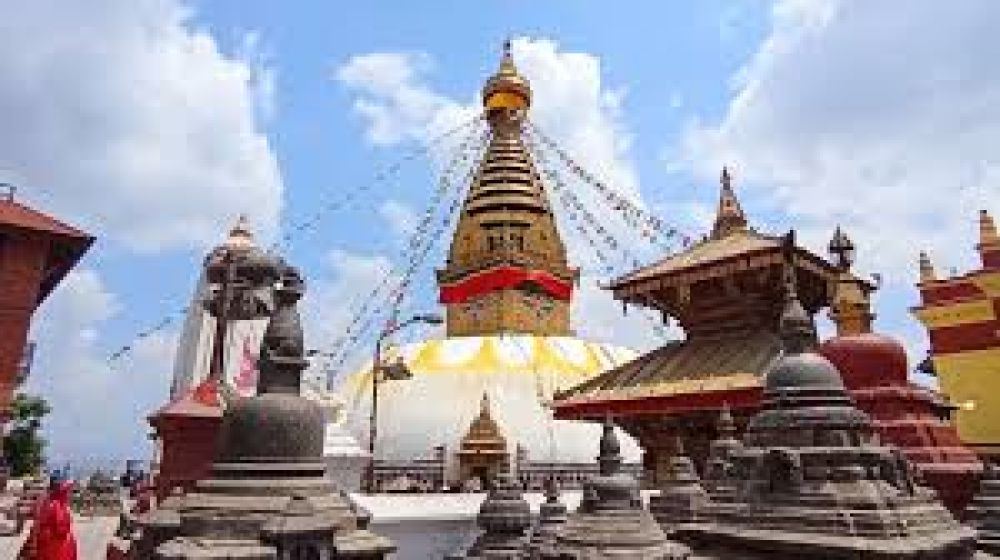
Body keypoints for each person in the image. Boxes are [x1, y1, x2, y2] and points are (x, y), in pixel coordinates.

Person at [18, 472, 77, 560]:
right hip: (51, 548)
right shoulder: (52, 504)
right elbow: (38, 525)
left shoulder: (58, 503)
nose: (69, 493)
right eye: (67, 490)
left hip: (58, 547)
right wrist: (34, 545)